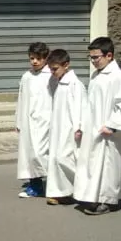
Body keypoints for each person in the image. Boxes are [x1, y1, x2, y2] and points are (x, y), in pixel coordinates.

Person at [73, 37, 121, 216]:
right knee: (94, 164)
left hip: (108, 131)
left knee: (108, 166)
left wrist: (113, 125)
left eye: (96, 57)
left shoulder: (116, 77)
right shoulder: (97, 75)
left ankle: (107, 200)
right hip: (94, 127)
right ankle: (94, 196)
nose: (93, 61)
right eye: (91, 57)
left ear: (109, 55)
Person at [44, 48, 86, 206]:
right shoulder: (57, 82)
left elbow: (81, 106)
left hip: (69, 128)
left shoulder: (75, 84)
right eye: (51, 69)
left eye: (55, 69)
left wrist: (79, 126)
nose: (52, 72)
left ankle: (83, 185)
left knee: (65, 158)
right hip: (57, 128)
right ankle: (60, 192)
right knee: (55, 158)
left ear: (66, 65)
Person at [15, 42, 53, 199]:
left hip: (46, 121)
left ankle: (54, 184)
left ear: (45, 59)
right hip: (28, 121)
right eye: (32, 58)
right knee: (30, 154)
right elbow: (21, 98)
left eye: (38, 58)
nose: (34, 62)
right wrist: (18, 120)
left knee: (42, 153)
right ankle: (35, 185)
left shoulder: (51, 76)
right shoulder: (27, 77)